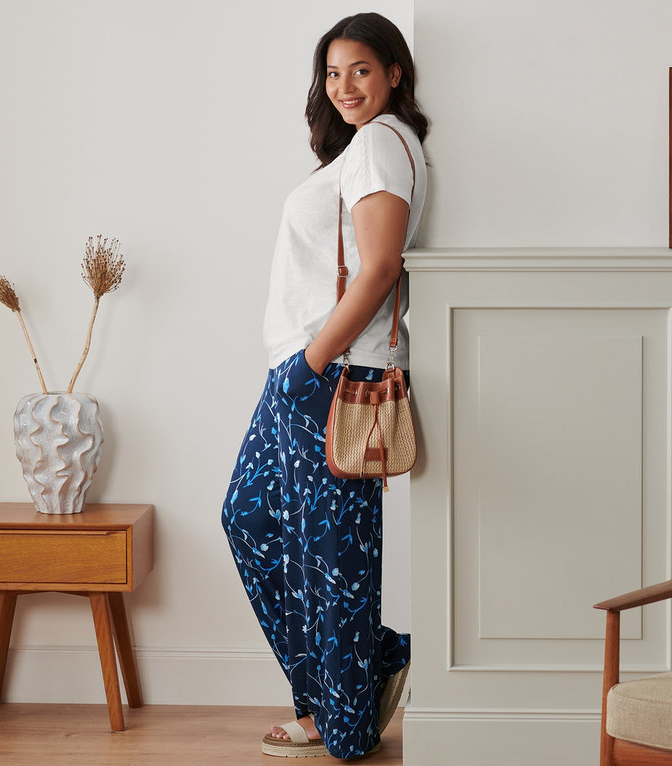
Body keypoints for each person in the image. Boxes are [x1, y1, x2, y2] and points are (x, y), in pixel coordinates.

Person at [222, 11, 428, 760]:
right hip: (306, 369)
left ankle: (339, 726)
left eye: (361, 71)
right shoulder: (369, 147)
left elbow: (377, 270)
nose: (344, 87)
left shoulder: (379, 144)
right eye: (333, 74)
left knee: (330, 557)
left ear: (394, 73)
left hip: (330, 372)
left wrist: (308, 365)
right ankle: (370, 664)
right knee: (252, 521)